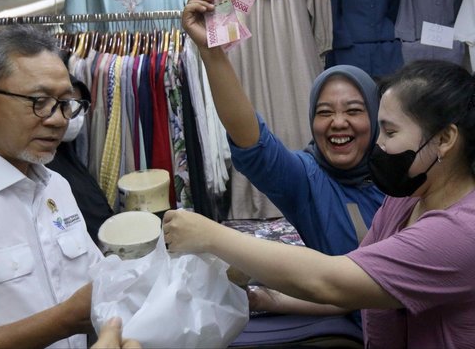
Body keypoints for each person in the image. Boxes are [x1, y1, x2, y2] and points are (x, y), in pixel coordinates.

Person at [164, 59, 475, 348]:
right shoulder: (406, 198)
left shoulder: (459, 233)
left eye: (390, 131)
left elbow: (332, 281)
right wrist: (271, 299)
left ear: (445, 139)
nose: (339, 123)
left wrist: (211, 236)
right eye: (325, 112)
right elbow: (357, 284)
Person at [177, 0, 384, 328]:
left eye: (353, 110)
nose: (338, 122)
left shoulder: (401, 178)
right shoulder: (308, 180)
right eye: (324, 112)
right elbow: (254, 146)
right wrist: (212, 53)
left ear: (376, 119)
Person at [0, 24, 102, 348]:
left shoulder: (56, 186)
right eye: (39, 101)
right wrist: (62, 321)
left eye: (66, 103)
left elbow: (95, 279)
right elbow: (73, 313)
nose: (58, 119)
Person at [47, 75, 113, 245]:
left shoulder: (64, 155)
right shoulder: (39, 167)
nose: (62, 118)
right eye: (41, 102)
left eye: (75, 105)